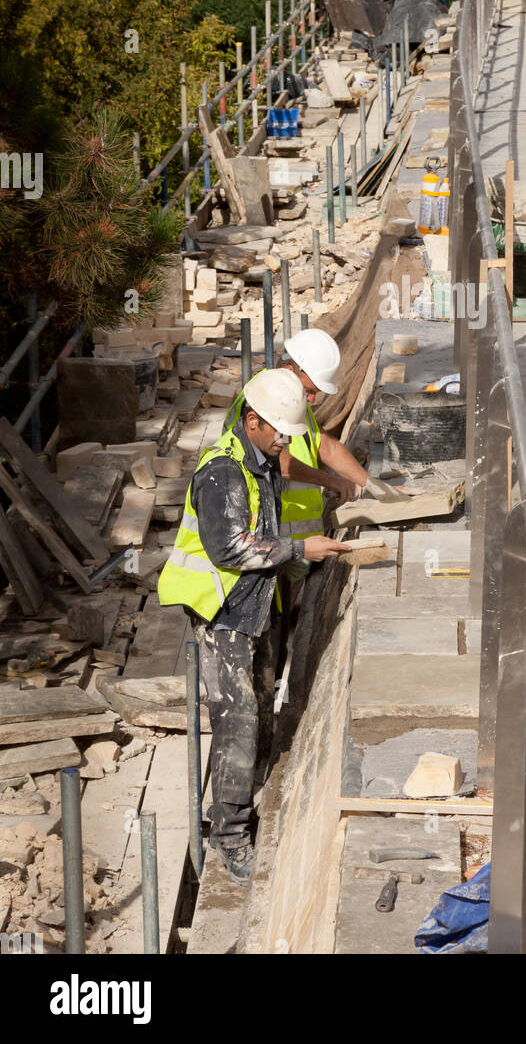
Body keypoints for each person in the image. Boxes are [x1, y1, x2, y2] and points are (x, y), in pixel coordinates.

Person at [157, 369, 350, 883]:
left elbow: (266, 523)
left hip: (256, 602)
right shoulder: (222, 471)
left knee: (262, 705)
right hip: (222, 612)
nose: (287, 440)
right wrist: (298, 550)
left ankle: (248, 799)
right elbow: (229, 547)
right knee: (238, 723)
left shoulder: (260, 457)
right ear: (251, 421)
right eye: (279, 431)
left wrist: (297, 565)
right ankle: (231, 835)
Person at [223, 328, 376, 555]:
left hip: (300, 542)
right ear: (289, 370)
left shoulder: (293, 399)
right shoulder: (262, 399)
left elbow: (326, 446)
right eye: (309, 390)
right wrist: (330, 481)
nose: (312, 399)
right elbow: (279, 462)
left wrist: (374, 486)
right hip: (270, 540)